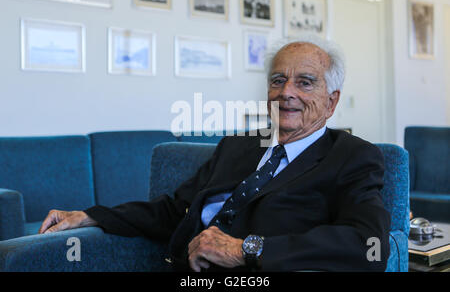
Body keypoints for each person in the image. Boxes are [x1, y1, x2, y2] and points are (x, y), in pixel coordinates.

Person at [38, 35, 391, 272]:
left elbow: (370, 246)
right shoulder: (238, 145)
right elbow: (173, 211)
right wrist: (92, 216)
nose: (287, 93)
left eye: (306, 82)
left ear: (332, 101)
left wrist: (246, 249)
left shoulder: (353, 157)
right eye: (278, 80)